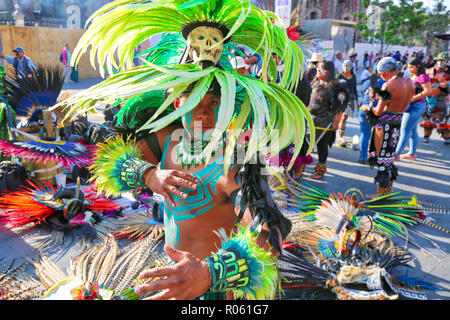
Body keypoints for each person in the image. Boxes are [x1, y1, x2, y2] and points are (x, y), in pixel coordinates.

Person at [60, 0, 311, 301]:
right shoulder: (164, 141)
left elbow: (271, 239)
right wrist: (149, 175)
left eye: (213, 104)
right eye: (195, 102)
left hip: (218, 291)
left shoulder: (238, 155)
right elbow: (106, 162)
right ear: (178, 102)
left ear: (227, 104)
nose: (204, 115)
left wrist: (211, 272)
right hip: (174, 278)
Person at [362, 57, 414, 196]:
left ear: (386, 72)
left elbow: (378, 111)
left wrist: (368, 107)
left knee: (383, 160)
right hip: (397, 123)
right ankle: (386, 191)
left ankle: (382, 194)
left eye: (381, 74)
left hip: (384, 126)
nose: (380, 77)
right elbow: (398, 100)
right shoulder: (409, 82)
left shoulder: (388, 85)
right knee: (389, 159)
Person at [304, 60, 348, 179]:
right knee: (306, 143)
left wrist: (336, 122)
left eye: (322, 68)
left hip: (325, 121)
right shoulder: (316, 83)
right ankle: (300, 167)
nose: (318, 70)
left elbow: (341, 106)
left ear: (329, 71)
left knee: (322, 146)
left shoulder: (336, 86)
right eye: (318, 68)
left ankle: (320, 171)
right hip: (312, 119)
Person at [395, 57, 432, 161]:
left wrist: (413, 98)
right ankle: (412, 154)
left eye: (411, 67)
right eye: (408, 67)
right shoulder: (411, 75)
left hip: (417, 106)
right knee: (412, 130)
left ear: (418, 66)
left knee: (405, 130)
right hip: (410, 105)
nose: (409, 69)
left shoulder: (423, 76)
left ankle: (396, 154)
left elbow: (428, 91)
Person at [421, 52, 450, 144]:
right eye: (439, 60)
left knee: (444, 120)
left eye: (444, 61)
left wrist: (446, 85)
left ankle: (447, 138)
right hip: (431, 99)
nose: (441, 62)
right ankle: (426, 137)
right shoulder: (429, 71)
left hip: (445, 100)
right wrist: (437, 85)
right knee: (428, 119)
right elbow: (424, 84)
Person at [358, 76, 386, 164]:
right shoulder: (386, 83)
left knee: (364, 134)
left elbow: (363, 93)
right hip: (378, 111)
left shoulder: (367, 81)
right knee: (379, 134)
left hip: (364, 110)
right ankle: (377, 156)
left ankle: (363, 157)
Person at [336, 60, 358, 147]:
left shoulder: (354, 77)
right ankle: (340, 137)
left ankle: (340, 135)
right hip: (342, 99)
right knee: (342, 117)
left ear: (351, 67)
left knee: (344, 118)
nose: (346, 68)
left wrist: (357, 101)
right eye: (344, 66)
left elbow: (355, 89)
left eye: (348, 66)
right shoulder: (340, 76)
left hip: (351, 100)